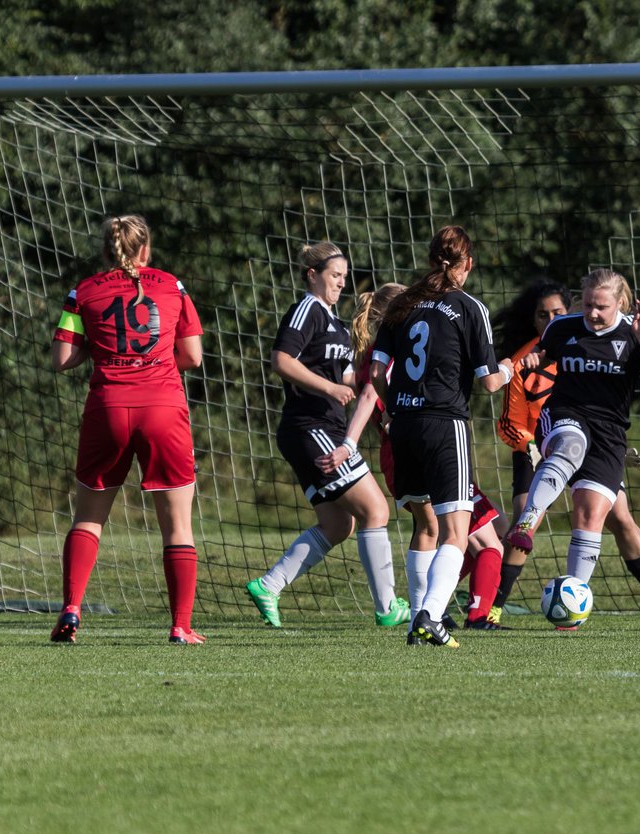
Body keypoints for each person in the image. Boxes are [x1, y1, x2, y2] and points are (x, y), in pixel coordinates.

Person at [493, 277, 640, 625]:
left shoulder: (636, 331)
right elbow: (545, 355)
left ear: (620, 304)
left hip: (610, 434)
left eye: (601, 307)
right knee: (569, 445)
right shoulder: (562, 327)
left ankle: (572, 610)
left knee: (593, 515)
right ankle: (527, 521)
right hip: (566, 413)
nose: (593, 314)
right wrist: (533, 362)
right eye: (587, 305)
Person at [49, 214, 206, 644]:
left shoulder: (82, 292)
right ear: (145, 249)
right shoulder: (172, 286)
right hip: (163, 408)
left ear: (106, 249)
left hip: (108, 408)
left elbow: (62, 360)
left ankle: (72, 609)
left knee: (88, 517)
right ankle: (180, 625)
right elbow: (192, 356)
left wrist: (103, 353)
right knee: (177, 526)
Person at [319, 284, 508, 631]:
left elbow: (371, 386)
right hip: (429, 445)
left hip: (401, 452)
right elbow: (368, 396)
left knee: (432, 529)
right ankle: (467, 615)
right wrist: (350, 442)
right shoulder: (402, 347)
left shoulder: (381, 348)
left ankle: (424, 614)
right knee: (486, 537)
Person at [244, 243, 410, 629]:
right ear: (312, 275)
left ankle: (269, 586)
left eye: (344, 277)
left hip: (321, 427)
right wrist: (328, 388)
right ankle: (387, 608)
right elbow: (281, 361)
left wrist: (380, 397)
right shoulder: (308, 311)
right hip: (310, 425)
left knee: (339, 525)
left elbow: (351, 381)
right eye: (334, 275)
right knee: (376, 511)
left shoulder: (333, 323)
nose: (340, 282)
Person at [370, 225, 514, 647]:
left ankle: (418, 618)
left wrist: (394, 411)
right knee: (456, 529)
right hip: (443, 423)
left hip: (405, 425)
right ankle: (430, 617)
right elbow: (488, 382)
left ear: (433, 260)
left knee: (424, 526)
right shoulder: (470, 307)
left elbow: (378, 373)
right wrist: (508, 369)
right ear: (466, 264)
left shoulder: (401, 305)